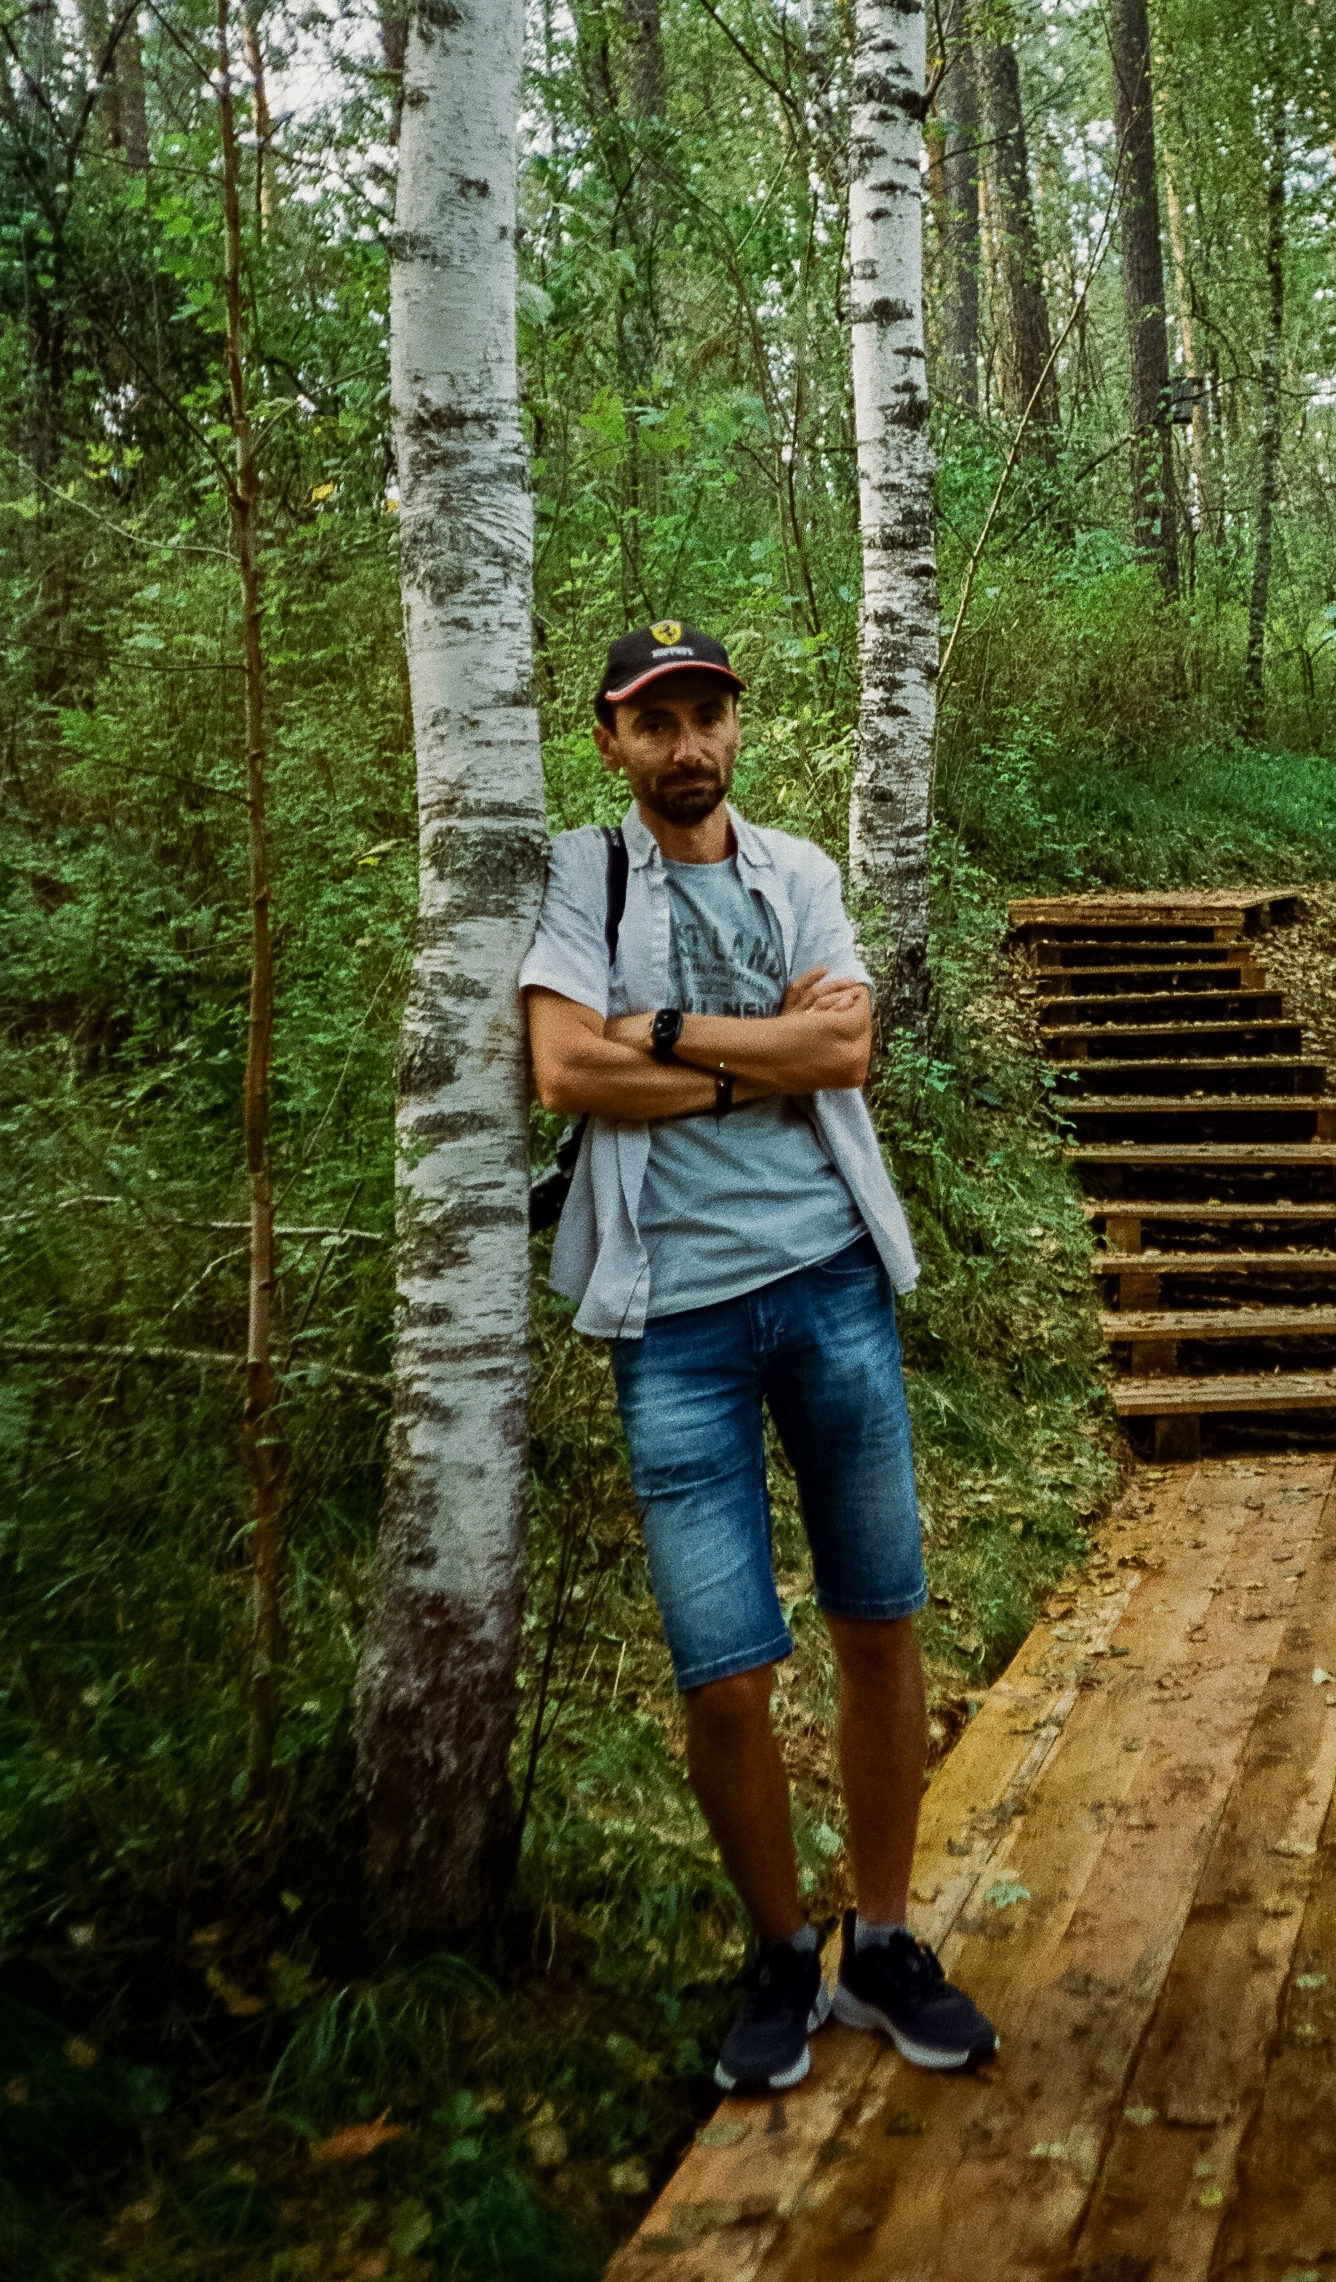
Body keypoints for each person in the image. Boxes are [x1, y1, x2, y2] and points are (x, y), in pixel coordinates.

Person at [519, 621, 998, 2094]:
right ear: (609, 740)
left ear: (736, 728)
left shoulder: (801, 873)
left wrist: (659, 1033)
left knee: (878, 1617)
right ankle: (783, 1951)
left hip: (835, 1284)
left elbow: (845, 1052)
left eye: (707, 714)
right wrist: (746, 1051)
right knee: (724, 1671)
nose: (687, 744)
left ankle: (888, 1940)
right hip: (676, 1320)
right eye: (654, 721)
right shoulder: (578, 874)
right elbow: (564, 1067)